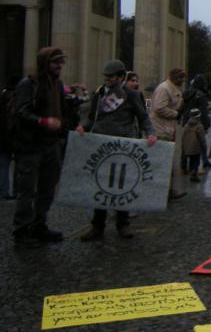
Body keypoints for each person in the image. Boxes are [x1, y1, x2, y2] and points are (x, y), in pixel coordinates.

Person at [80, 59, 156, 241]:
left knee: (122, 185)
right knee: (101, 186)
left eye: (111, 76)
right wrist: (83, 126)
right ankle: (97, 225)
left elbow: (143, 116)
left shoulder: (131, 95)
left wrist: (151, 133)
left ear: (121, 77)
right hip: (102, 144)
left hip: (124, 145)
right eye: (106, 76)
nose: (107, 79)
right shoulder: (99, 93)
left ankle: (123, 224)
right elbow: (90, 117)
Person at [12, 48, 82, 246]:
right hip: (31, 145)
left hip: (51, 145)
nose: (60, 66)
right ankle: (21, 231)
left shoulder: (57, 85)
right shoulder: (28, 84)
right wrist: (43, 121)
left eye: (61, 62)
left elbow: (63, 112)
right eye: (55, 62)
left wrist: (73, 126)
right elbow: (21, 111)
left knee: (47, 188)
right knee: (27, 190)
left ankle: (39, 225)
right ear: (45, 64)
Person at [149, 68, 186, 200]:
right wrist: (176, 113)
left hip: (166, 128)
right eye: (181, 77)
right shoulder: (164, 89)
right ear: (174, 77)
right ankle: (162, 191)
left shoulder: (171, 88)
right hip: (161, 129)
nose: (183, 80)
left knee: (167, 160)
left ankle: (167, 190)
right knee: (163, 160)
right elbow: (159, 108)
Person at [180, 74, 211, 173]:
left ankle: (184, 166)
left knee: (185, 144)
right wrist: (207, 125)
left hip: (187, 121)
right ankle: (195, 168)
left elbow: (182, 107)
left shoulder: (186, 93)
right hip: (198, 123)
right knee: (199, 144)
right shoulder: (201, 95)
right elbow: (203, 112)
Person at [0, 75, 22, 200]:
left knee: (3, 165)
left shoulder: (2, 97)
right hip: (15, 136)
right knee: (18, 165)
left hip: (3, 137)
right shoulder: (18, 98)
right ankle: (16, 190)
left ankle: (4, 191)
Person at [182, 108, 204, 182]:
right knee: (196, 161)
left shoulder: (186, 125)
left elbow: (183, 136)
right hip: (196, 147)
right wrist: (203, 146)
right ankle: (194, 175)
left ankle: (189, 170)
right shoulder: (199, 126)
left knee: (191, 160)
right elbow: (202, 138)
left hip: (187, 147)